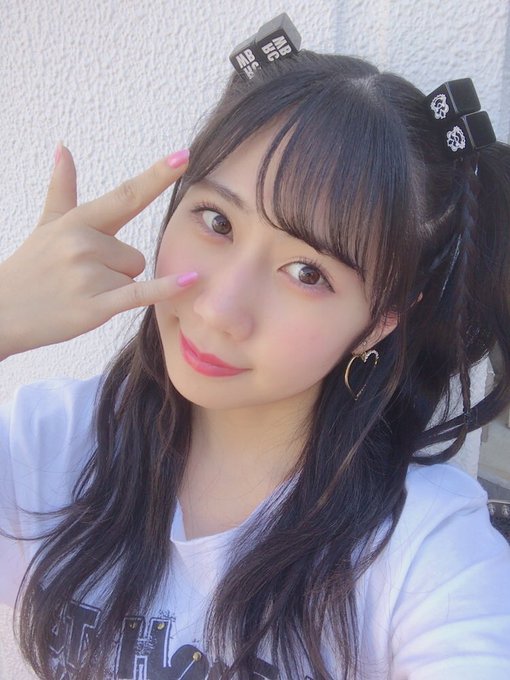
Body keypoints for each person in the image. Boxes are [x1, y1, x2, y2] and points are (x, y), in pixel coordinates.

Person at [0, 44, 510, 680]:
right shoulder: (49, 446)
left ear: (382, 320)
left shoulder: (422, 549)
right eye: (216, 221)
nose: (220, 310)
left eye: (307, 273)